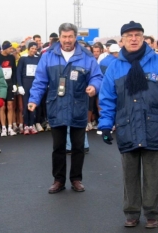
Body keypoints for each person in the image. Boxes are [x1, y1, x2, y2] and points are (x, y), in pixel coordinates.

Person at [98, 21, 158, 229]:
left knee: (154, 174)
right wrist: (106, 125)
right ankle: (132, 212)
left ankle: (152, 213)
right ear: (122, 41)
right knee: (130, 174)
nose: (133, 39)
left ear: (143, 38)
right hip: (127, 126)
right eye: (129, 36)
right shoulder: (114, 67)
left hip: (154, 125)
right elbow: (107, 99)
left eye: (137, 35)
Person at [28, 23, 103, 194]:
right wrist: (34, 99)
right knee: (58, 147)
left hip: (78, 105)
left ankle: (76, 179)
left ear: (75, 37)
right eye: (64, 37)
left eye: (70, 36)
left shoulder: (86, 56)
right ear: (59, 37)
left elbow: (97, 76)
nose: (67, 40)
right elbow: (40, 81)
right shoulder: (48, 56)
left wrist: (93, 87)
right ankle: (58, 180)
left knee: (78, 146)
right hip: (56, 105)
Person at [17, 41, 40, 135]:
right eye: (32, 49)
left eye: (35, 49)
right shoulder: (23, 59)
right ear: (28, 48)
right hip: (25, 82)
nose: (33, 50)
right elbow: (18, 72)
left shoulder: (38, 59)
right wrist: (20, 85)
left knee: (32, 104)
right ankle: (26, 125)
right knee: (26, 104)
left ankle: (31, 124)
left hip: (34, 83)